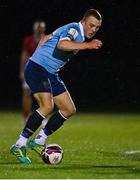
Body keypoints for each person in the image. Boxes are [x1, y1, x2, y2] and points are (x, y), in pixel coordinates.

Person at [10, 9, 103, 164]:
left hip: (49, 72)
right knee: (47, 106)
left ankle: (39, 141)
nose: (93, 30)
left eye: (97, 27)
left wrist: (39, 54)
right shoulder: (75, 29)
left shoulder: (71, 28)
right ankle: (19, 144)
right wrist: (87, 45)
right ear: (83, 21)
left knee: (68, 109)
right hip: (38, 69)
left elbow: (47, 37)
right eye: (91, 25)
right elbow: (62, 44)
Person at [19, 20, 46, 123]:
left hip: (42, 70)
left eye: (41, 28)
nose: (39, 30)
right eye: (37, 28)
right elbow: (24, 55)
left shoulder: (47, 39)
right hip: (29, 69)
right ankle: (26, 117)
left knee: (44, 94)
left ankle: (42, 117)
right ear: (34, 28)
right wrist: (21, 71)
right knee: (27, 94)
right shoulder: (28, 40)